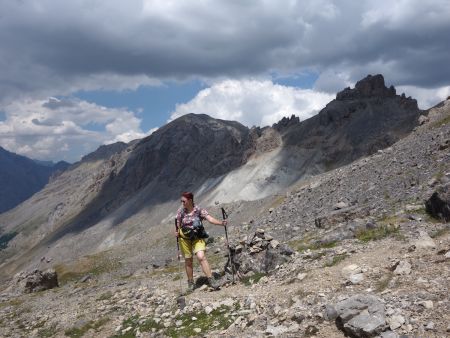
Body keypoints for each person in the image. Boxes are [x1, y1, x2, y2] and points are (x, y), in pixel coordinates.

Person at [175, 191, 227, 292]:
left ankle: (212, 280)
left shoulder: (199, 210)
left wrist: (221, 223)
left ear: (190, 200)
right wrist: (176, 233)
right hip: (184, 239)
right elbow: (177, 226)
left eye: (184, 201)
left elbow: (210, 219)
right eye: (181, 201)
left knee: (201, 256)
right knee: (188, 260)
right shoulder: (180, 212)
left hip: (197, 237)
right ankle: (191, 283)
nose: (182, 203)